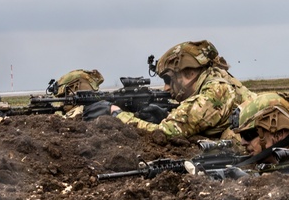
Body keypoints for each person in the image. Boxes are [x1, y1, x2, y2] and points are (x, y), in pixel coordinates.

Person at [107, 40, 255, 139]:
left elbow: (166, 134)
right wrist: (165, 115)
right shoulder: (217, 80)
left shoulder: (214, 92)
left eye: (168, 80)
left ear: (190, 73)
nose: (166, 88)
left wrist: (118, 116)